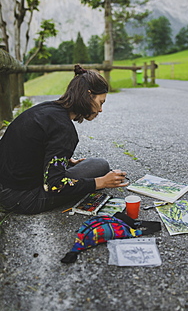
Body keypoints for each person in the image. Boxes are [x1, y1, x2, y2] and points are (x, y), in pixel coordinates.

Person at [0, 65, 128, 214]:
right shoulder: (64, 130)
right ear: (88, 95)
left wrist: (62, 160)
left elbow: (28, 148)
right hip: (22, 199)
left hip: (5, 184)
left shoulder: (45, 109)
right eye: (101, 102)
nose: (100, 110)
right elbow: (54, 185)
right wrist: (100, 183)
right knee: (100, 167)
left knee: (93, 165)